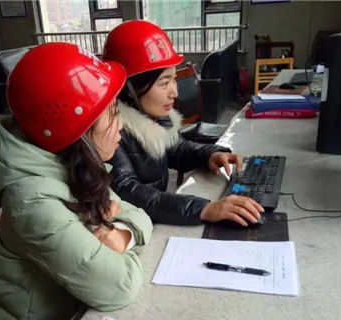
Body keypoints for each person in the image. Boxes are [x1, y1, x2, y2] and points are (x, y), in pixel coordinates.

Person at [0, 42, 153, 320]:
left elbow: (140, 214)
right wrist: (115, 236)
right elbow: (118, 288)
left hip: (72, 317)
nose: (121, 126)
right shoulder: (33, 202)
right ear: (77, 128)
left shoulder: (70, 162)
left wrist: (121, 234)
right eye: (112, 114)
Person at [103, 20, 264, 226]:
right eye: (164, 83)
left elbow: (177, 149)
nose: (174, 92)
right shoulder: (109, 132)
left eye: (174, 79)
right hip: (133, 230)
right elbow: (130, 192)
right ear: (131, 87)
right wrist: (204, 209)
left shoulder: (151, 115)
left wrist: (211, 154)